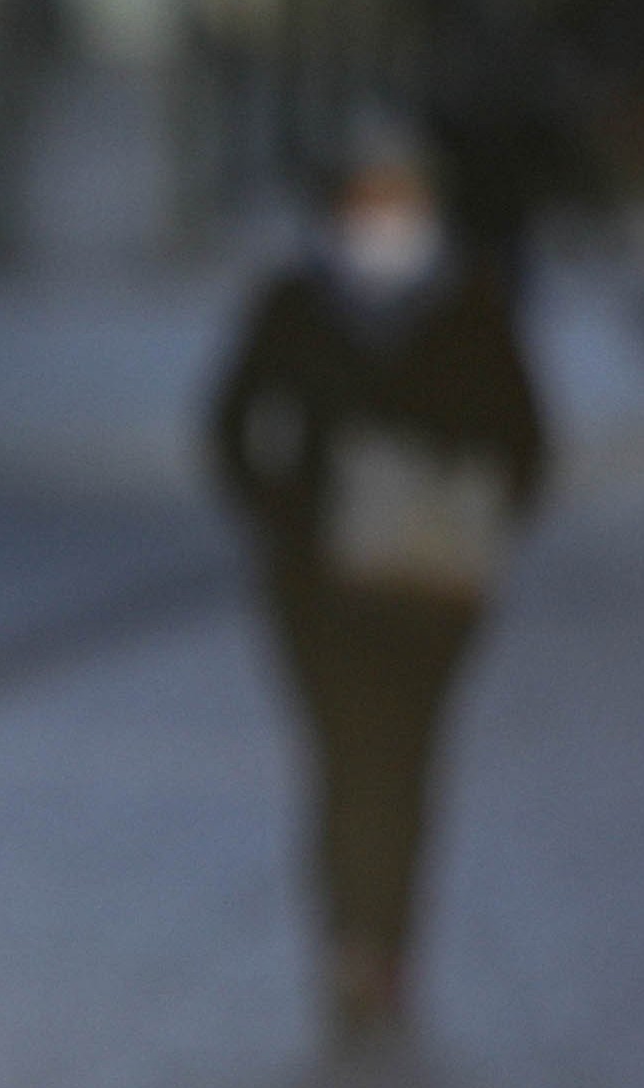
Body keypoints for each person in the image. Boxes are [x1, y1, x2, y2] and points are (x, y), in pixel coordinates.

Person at [210, 118, 548, 1045]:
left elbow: (528, 440)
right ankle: (350, 948)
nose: (384, 219)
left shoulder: (468, 300)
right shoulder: (296, 299)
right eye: (369, 199)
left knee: (406, 764)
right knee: (343, 762)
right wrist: (285, 515)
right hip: (318, 591)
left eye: (401, 199)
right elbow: (231, 424)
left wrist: (469, 520)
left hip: (432, 595)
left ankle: (390, 947)